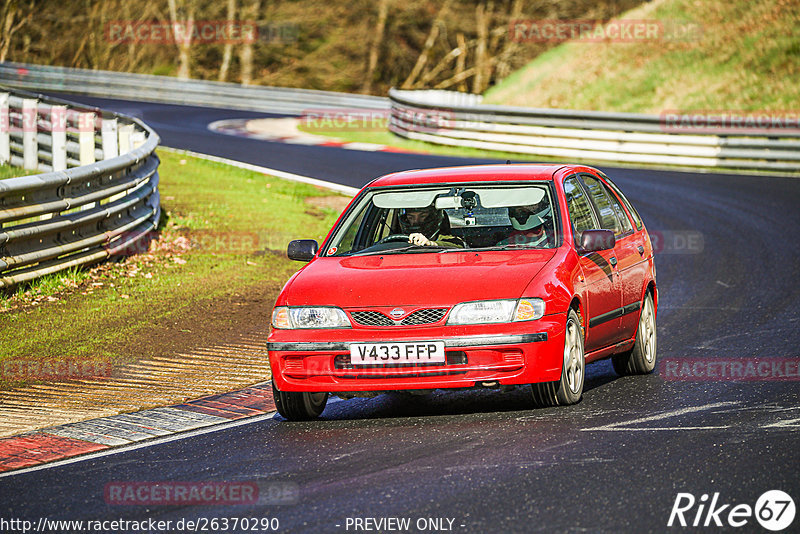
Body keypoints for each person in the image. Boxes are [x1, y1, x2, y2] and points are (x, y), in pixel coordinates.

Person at [398, 204, 463, 247]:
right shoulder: (397, 241)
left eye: (422, 216)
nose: (416, 221)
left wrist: (430, 244)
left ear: (432, 217)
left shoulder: (449, 240)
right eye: (411, 217)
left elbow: (458, 246)